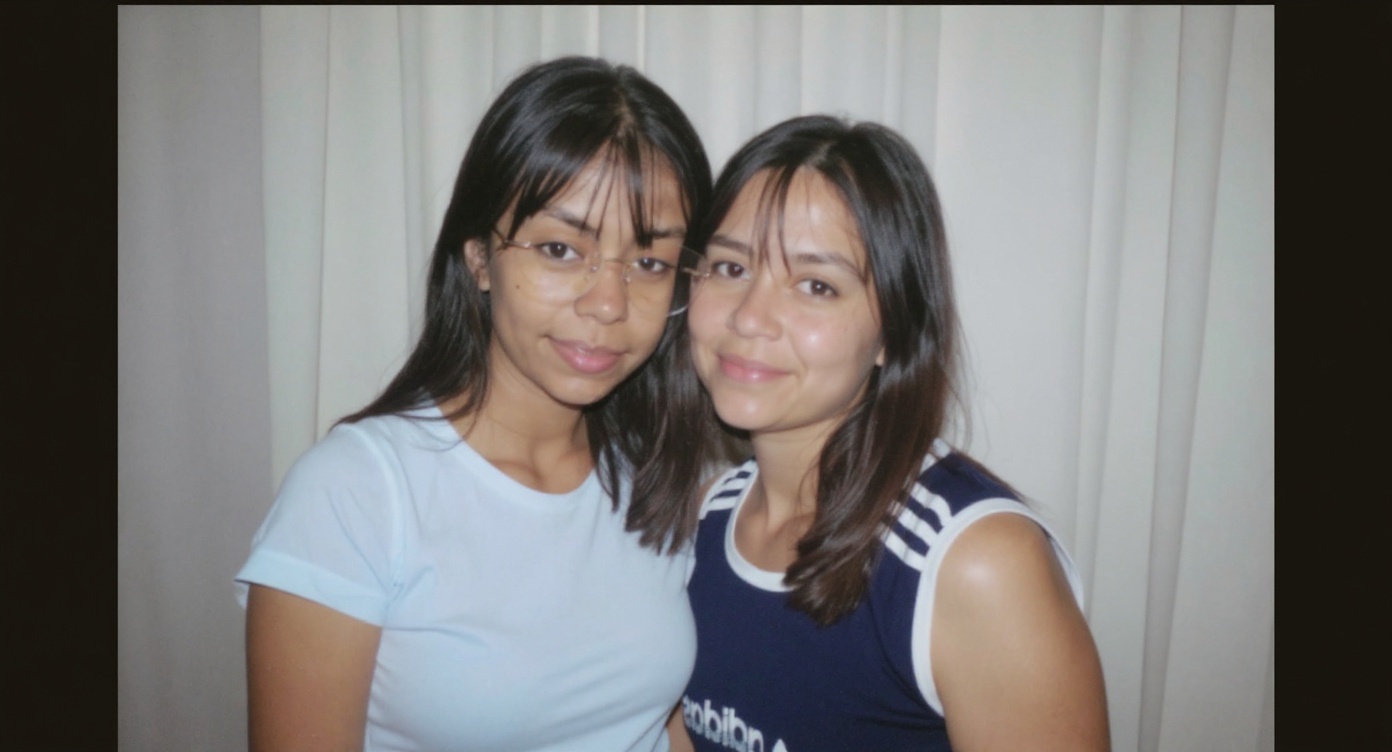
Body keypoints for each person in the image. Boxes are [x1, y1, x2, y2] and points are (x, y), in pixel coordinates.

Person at [236, 56, 718, 751]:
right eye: (559, 248)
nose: (609, 303)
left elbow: (659, 724)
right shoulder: (359, 492)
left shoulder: (653, 478)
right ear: (479, 258)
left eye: (648, 263)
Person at [669, 115, 1109, 751]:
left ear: (893, 332)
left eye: (816, 285)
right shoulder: (705, 519)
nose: (749, 317)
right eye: (731, 268)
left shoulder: (974, 563)